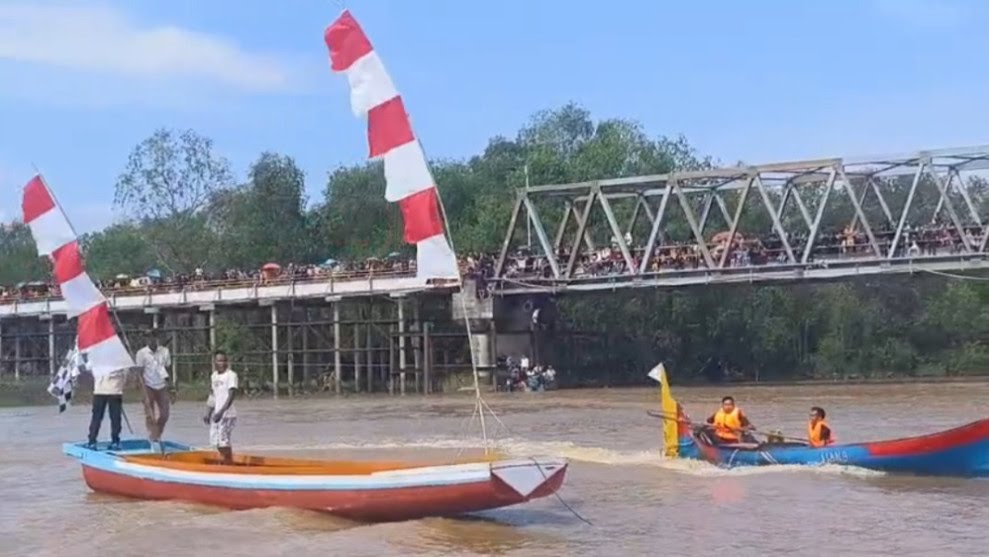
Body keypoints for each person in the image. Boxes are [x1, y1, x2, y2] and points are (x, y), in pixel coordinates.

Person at [86, 356, 133, 451]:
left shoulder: (96, 357)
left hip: (104, 391)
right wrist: (120, 384)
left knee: (98, 417)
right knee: (114, 418)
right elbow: (126, 373)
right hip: (113, 391)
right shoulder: (119, 357)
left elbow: (89, 369)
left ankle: (92, 441)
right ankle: (114, 441)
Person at [134, 330, 172, 444]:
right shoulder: (141, 353)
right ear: (146, 339)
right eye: (149, 337)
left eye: (154, 337)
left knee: (165, 413)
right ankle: (154, 437)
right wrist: (142, 389)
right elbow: (139, 372)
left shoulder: (165, 351)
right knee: (150, 413)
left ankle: (156, 434)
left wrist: (172, 386)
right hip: (148, 385)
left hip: (162, 385)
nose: (152, 340)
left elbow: (168, 369)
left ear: (157, 338)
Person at [203, 350, 238, 464]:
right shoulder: (214, 376)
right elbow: (213, 395)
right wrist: (208, 412)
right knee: (215, 440)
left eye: (223, 361)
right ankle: (227, 461)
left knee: (223, 441)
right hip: (217, 414)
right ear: (215, 362)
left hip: (228, 414)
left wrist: (221, 412)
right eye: (218, 361)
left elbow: (231, 395)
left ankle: (227, 464)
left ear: (227, 362)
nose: (221, 363)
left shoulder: (231, 375)